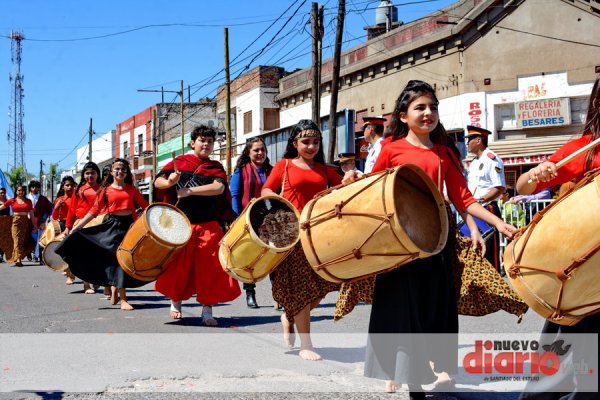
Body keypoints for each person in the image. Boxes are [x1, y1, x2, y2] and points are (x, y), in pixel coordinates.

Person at [347, 80, 516, 396]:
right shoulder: (390, 150)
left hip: (438, 240)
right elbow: (373, 192)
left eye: (433, 107)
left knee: (436, 307)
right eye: (420, 108)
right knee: (401, 308)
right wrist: (354, 179)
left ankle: (440, 370)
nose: (428, 113)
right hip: (399, 243)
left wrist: (493, 223)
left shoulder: (444, 153)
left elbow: (463, 197)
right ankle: (402, 370)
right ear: (402, 116)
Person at [516, 75, 600, 400]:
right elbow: (524, 186)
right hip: (583, 274)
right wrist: (534, 174)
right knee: (562, 372)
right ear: (597, 103)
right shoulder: (583, 149)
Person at [261, 119, 351, 361]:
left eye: (315, 142)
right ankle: (306, 344)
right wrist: (279, 201)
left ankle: (289, 316)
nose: (311, 146)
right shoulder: (285, 165)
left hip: (320, 235)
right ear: (295, 143)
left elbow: (345, 187)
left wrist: (350, 176)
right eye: (306, 142)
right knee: (301, 288)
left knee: (324, 286)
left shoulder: (324, 170)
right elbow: (266, 190)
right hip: (293, 235)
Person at [154, 125, 240, 323]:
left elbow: (218, 188)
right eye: (202, 140)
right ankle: (175, 301)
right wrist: (169, 182)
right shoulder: (179, 162)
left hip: (208, 224)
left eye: (210, 141)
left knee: (210, 269)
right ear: (193, 143)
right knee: (178, 266)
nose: (206, 144)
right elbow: (158, 182)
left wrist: (191, 191)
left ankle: (207, 311)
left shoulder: (216, 167)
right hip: (181, 223)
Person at [56, 158, 149, 311]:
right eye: (117, 169)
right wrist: (77, 227)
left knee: (124, 260)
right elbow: (93, 211)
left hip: (129, 227)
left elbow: (146, 207)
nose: (120, 172)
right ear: (112, 172)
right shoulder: (105, 190)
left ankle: (115, 290)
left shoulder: (132, 189)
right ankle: (122, 298)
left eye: (123, 170)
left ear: (127, 173)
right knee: (114, 260)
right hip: (112, 225)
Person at [229, 137, 273, 309]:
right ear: (248, 152)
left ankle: (278, 294)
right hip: (247, 220)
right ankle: (250, 293)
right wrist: (236, 219)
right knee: (250, 257)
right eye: (256, 150)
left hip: (270, 221)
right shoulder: (241, 170)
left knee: (273, 256)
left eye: (262, 149)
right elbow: (235, 195)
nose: (260, 153)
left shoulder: (271, 169)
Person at [465, 125, 506, 272]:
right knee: (474, 246)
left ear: (478, 140)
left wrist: (481, 200)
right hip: (474, 209)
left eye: (469, 139)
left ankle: (494, 278)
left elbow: (499, 187)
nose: (467, 143)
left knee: (489, 249)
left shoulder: (492, 159)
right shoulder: (474, 162)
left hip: (487, 208)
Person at [65, 162, 102, 294]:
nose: (90, 176)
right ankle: (86, 285)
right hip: (82, 224)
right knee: (85, 254)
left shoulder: (103, 188)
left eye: (93, 173)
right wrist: (68, 226)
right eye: (87, 173)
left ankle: (98, 279)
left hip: (99, 223)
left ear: (98, 174)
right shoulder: (79, 190)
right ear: (83, 175)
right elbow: (72, 209)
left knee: (99, 254)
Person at [0, 185, 36, 267]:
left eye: (22, 190)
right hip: (15, 222)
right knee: (16, 239)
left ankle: (17, 257)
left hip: (25, 222)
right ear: (16, 192)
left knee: (22, 240)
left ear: (24, 192)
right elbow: (2, 207)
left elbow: (31, 214)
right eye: (19, 190)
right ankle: (18, 259)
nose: (20, 192)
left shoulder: (28, 201)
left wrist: (34, 225)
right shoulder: (12, 200)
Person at [51, 176, 77, 284]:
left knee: (75, 251)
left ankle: (74, 273)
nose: (70, 187)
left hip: (76, 225)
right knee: (66, 251)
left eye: (71, 185)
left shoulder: (77, 198)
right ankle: (69, 275)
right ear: (63, 186)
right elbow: (54, 217)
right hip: (63, 226)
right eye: (67, 185)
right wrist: (56, 207)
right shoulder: (59, 199)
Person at [27, 180, 53, 264]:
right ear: (30, 188)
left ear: (39, 188)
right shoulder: (26, 198)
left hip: (40, 222)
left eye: (37, 187)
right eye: (32, 187)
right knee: (31, 238)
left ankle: (41, 257)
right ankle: (32, 253)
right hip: (28, 222)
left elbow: (49, 208)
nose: (34, 189)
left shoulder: (43, 199)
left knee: (40, 239)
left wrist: (44, 219)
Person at [0, 187, 11, 262]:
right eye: (0, 193)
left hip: (6, 223)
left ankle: (1, 254)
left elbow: (11, 212)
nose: (2, 194)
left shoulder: (8, 202)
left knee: (5, 240)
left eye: (3, 193)